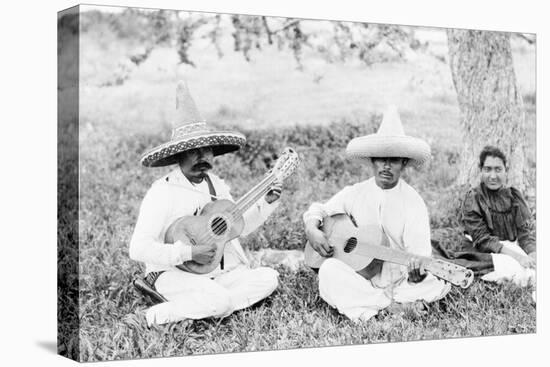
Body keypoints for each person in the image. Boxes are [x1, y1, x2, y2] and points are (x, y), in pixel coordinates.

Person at [129, 81, 281, 326]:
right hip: (172, 273)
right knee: (221, 302)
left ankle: (201, 304)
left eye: (207, 150)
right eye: (193, 151)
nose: (203, 158)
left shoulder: (216, 185)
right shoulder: (162, 192)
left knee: (269, 277)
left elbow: (233, 228)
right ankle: (150, 316)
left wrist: (266, 203)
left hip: (213, 274)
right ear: (178, 155)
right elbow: (137, 248)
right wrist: (189, 252)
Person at [303, 106, 450, 322]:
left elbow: (420, 255)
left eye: (394, 159)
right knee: (329, 271)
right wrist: (312, 229)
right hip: (362, 276)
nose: (386, 166)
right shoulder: (356, 192)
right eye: (381, 159)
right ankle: (391, 307)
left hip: (401, 281)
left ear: (404, 163)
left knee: (432, 286)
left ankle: (372, 306)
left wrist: (417, 276)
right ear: (372, 161)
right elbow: (319, 209)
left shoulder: (413, 202)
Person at [460, 145, 536, 269]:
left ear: (506, 170)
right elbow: (482, 240)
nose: (493, 176)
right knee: (515, 270)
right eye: (488, 169)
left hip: (511, 247)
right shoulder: (474, 198)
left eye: (498, 169)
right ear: (481, 170)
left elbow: (524, 235)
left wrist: (533, 254)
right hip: (484, 250)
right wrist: (518, 257)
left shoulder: (514, 197)